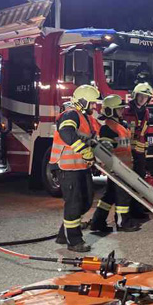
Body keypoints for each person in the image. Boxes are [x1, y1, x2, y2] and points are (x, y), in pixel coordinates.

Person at [51, 84, 102, 253]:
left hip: (80, 167)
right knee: (74, 203)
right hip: (67, 167)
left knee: (87, 200)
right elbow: (66, 132)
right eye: (92, 103)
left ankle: (63, 234)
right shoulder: (70, 114)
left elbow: (89, 138)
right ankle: (74, 241)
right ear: (83, 101)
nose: (94, 107)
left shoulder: (85, 117)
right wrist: (84, 150)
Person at [89, 95, 142, 233]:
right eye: (118, 110)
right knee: (123, 195)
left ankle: (97, 222)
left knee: (110, 195)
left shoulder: (119, 125)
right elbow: (106, 149)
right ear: (110, 111)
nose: (121, 112)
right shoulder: (108, 128)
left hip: (121, 167)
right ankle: (123, 222)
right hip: (118, 168)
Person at [122, 81, 153, 218]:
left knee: (139, 182)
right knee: (127, 183)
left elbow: (144, 134)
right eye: (140, 96)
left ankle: (137, 209)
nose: (142, 99)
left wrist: (145, 153)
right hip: (126, 153)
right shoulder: (125, 110)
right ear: (135, 96)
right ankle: (127, 212)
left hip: (140, 153)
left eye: (145, 97)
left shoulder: (146, 112)